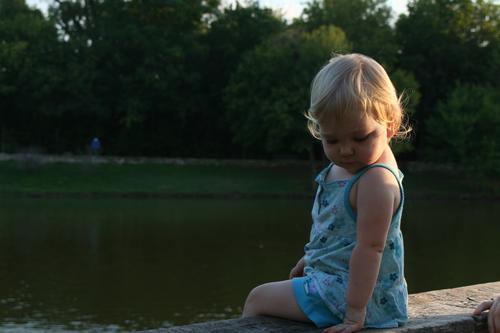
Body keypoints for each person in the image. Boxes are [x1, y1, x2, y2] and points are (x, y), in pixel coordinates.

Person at [242, 53, 410, 333]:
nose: (345, 150)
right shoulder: (355, 164)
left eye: (360, 137)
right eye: (332, 139)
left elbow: (371, 248)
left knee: (257, 299)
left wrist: (354, 314)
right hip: (346, 287)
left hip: (354, 298)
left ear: (390, 126)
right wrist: (312, 260)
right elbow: (342, 234)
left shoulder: (376, 180)